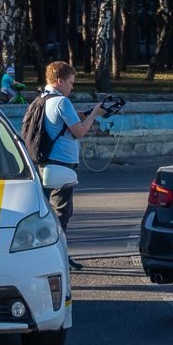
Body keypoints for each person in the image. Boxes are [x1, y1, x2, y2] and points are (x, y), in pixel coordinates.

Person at [41, 61, 106, 271]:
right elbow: (79, 132)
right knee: (62, 214)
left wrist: (79, 118)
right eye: (70, 82)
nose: (72, 87)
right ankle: (58, 257)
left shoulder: (43, 99)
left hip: (45, 164)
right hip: (60, 167)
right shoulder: (61, 102)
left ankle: (53, 255)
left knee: (45, 213)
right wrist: (95, 114)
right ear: (59, 81)